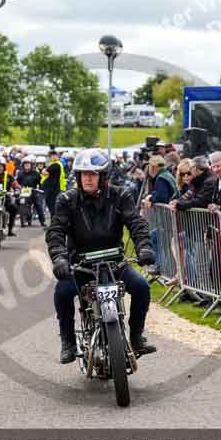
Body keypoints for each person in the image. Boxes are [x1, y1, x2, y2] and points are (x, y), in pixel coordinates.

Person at [46, 149, 157, 364]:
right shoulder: (67, 200)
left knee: (142, 287)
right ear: (78, 176)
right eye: (84, 174)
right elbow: (56, 231)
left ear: (103, 176)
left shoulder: (120, 196)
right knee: (62, 292)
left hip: (114, 263)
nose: (88, 178)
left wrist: (144, 247)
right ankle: (68, 342)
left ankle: (135, 338)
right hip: (80, 265)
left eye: (93, 174)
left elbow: (136, 223)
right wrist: (60, 258)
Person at [0, 156, 19, 236]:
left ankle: (10, 229)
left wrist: (17, 190)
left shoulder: (9, 176)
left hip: (5, 198)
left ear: (4, 167)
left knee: (13, 207)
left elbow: (15, 184)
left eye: (1, 166)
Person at [16, 155, 45, 227]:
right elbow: (17, 182)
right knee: (16, 202)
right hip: (23, 191)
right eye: (25, 164)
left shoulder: (36, 173)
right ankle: (18, 217)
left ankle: (42, 221)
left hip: (33, 191)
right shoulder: (20, 173)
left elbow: (40, 182)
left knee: (38, 204)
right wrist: (17, 188)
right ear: (23, 165)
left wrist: (41, 189)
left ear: (31, 165)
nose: (27, 165)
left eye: (28, 164)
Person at [41, 150, 66, 217]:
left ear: (57, 156)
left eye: (54, 155)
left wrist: (43, 170)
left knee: (52, 205)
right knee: (52, 205)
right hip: (54, 187)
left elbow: (45, 172)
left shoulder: (56, 164)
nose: (53, 157)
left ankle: (54, 221)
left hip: (53, 188)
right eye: (51, 156)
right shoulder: (54, 164)